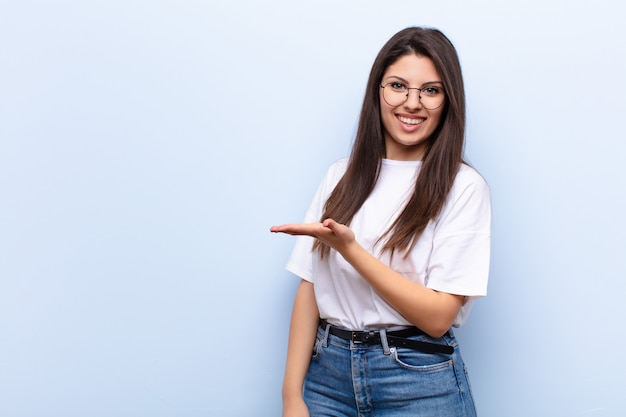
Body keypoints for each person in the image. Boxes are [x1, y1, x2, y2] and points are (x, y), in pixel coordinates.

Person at [270, 26, 491, 417]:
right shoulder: (341, 176)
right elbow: (310, 287)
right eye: (398, 86)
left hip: (418, 379)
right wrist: (292, 396)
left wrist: (352, 251)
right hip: (327, 377)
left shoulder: (463, 187)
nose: (412, 103)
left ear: (448, 100)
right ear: (378, 91)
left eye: (431, 90)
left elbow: (439, 318)